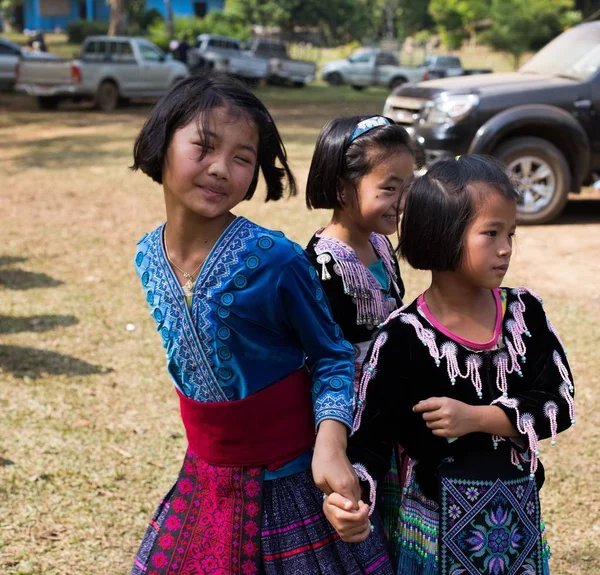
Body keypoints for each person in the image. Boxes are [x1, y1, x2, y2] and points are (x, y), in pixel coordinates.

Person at [129, 72, 393, 575]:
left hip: (291, 481)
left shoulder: (276, 259)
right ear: (161, 142)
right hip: (205, 479)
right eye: (203, 147)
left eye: (242, 158)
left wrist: (331, 447)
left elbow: (333, 355)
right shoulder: (147, 255)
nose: (220, 169)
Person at [324, 155, 575, 574]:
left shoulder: (524, 314)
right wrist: (349, 501)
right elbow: (370, 442)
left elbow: (560, 404)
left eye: (511, 233)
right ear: (442, 235)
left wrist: (478, 418)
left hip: (518, 526)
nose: (505, 248)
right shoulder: (401, 339)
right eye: (491, 233)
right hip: (434, 539)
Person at [304, 115, 415, 562]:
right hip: (352, 422)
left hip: (389, 412)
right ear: (340, 187)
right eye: (389, 187)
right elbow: (320, 356)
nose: (401, 201)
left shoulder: (382, 245)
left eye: (407, 187)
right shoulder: (321, 264)